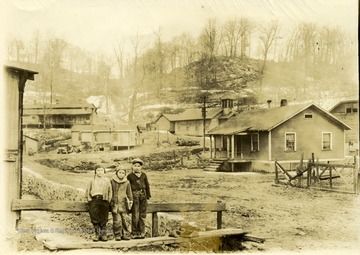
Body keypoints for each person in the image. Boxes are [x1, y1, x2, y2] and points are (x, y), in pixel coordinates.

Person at [86, 166, 112, 242]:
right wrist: (90, 200)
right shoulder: (92, 180)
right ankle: (97, 234)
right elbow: (88, 191)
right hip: (94, 200)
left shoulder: (107, 180)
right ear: (95, 171)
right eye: (98, 170)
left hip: (104, 200)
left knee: (104, 217)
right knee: (95, 216)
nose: (100, 172)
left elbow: (110, 191)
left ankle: (103, 234)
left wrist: (108, 200)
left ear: (104, 171)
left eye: (101, 170)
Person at [127, 158, 151, 239]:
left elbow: (147, 185)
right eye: (135, 166)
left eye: (138, 166)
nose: (137, 167)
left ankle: (142, 232)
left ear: (141, 167)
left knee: (142, 214)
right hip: (134, 195)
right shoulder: (130, 176)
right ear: (132, 166)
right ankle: (134, 232)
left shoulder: (144, 175)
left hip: (143, 195)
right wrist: (129, 197)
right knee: (135, 214)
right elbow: (128, 187)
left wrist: (148, 195)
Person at [110, 167, 133, 241]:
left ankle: (125, 234)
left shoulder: (127, 182)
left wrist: (130, 200)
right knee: (117, 220)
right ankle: (117, 235)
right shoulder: (112, 181)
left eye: (123, 173)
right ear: (116, 173)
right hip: (115, 204)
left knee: (124, 220)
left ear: (125, 174)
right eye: (120, 172)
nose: (121, 174)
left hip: (123, 204)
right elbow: (109, 191)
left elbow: (129, 193)